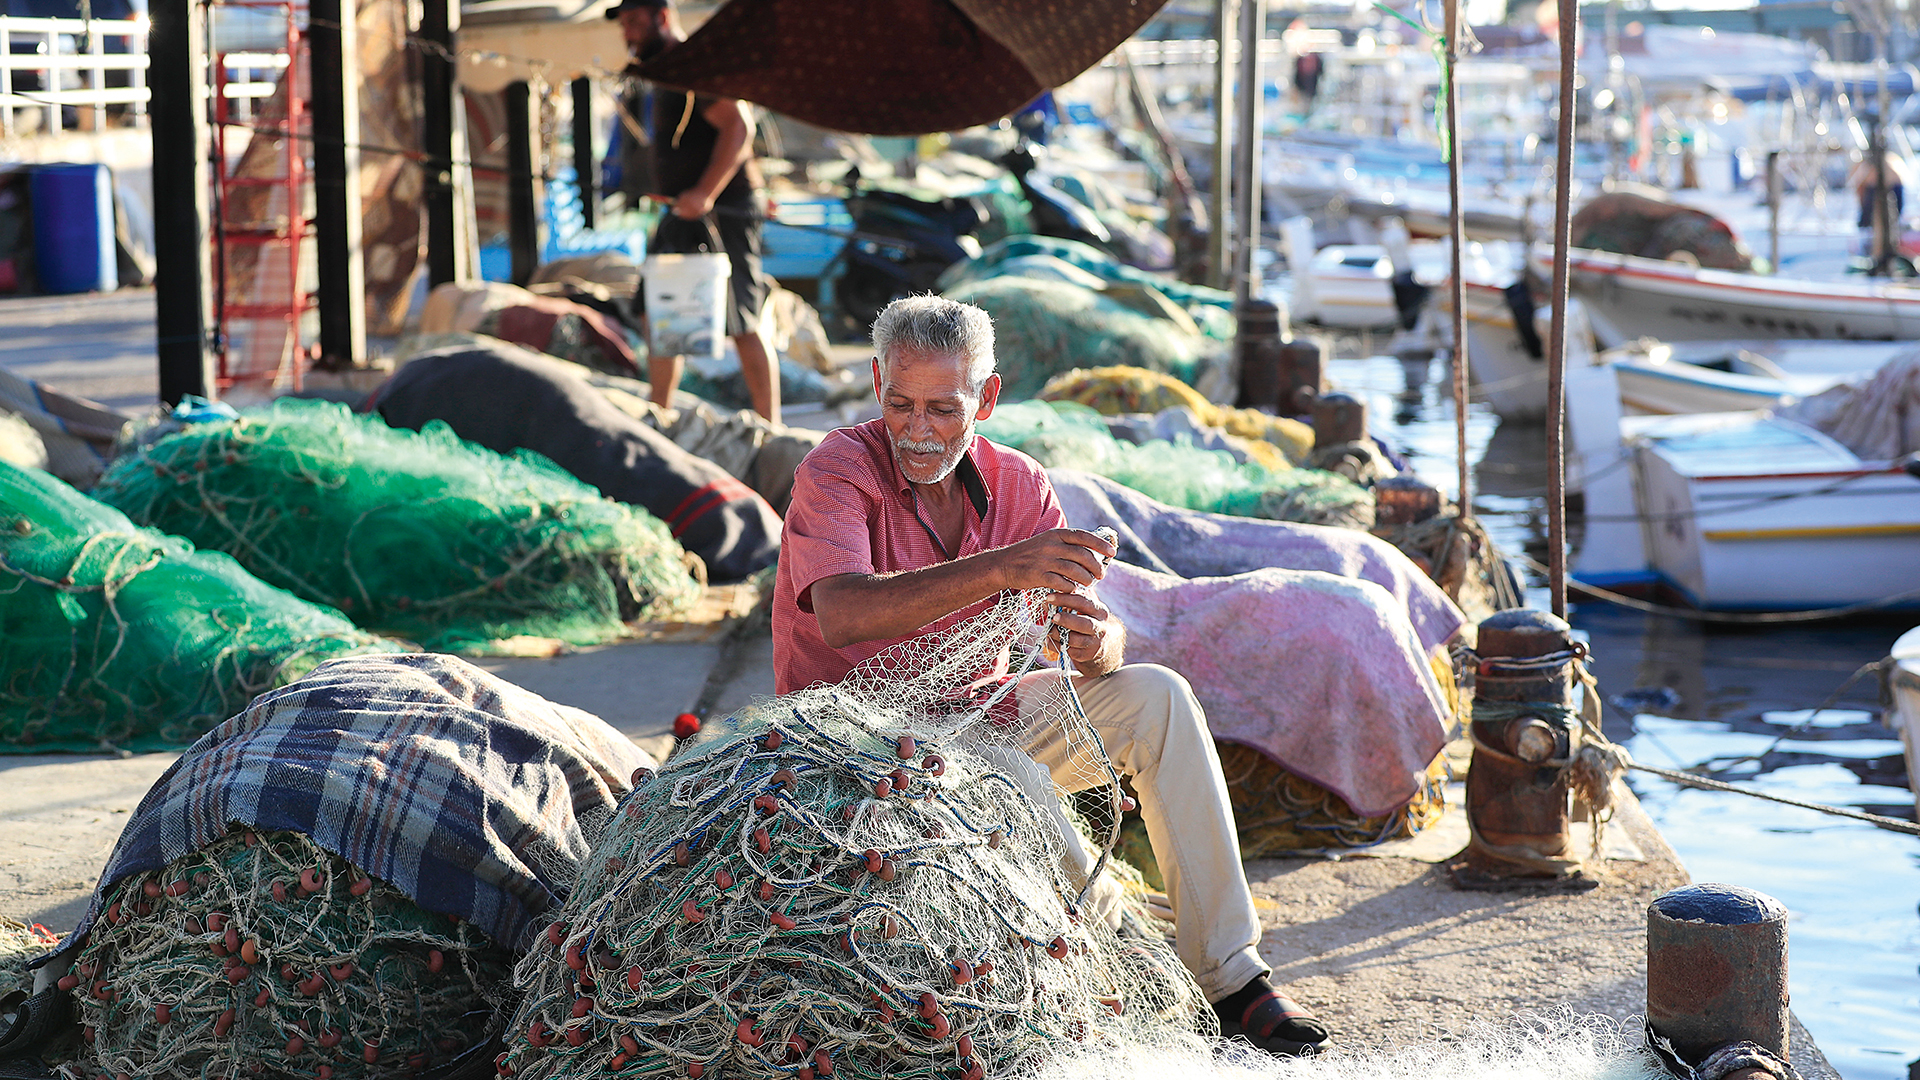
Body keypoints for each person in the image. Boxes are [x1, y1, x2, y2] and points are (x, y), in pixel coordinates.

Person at [770, 295, 1332, 1058]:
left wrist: (1097, 639)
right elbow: (842, 614)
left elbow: (1093, 642)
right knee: (1009, 776)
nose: (917, 428)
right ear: (875, 382)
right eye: (899, 403)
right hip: (851, 738)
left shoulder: (1021, 484)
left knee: (1160, 699)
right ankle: (1127, 957)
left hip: (978, 713)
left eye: (942, 407)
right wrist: (1002, 568)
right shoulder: (835, 468)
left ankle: (1232, 978)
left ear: (988, 399)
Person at [610, 0, 779, 423]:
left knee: (741, 316)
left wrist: (705, 192)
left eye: (634, 22)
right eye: (624, 24)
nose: (627, 33)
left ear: (663, 17)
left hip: (725, 209)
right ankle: (660, 413)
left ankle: (770, 425)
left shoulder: (693, 66)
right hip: (681, 211)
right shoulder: (662, 74)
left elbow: (740, 127)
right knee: (656, 310)